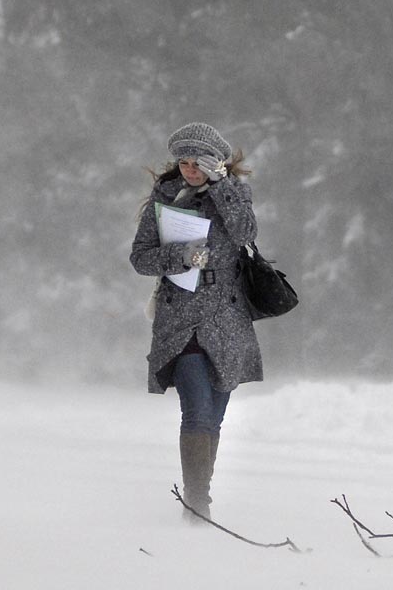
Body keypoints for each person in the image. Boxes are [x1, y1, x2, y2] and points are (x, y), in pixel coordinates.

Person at [130, 122, 262, 521]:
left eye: (197, 162)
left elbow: (245, 232)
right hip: (181, 318)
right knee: (198, 411)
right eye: (183, 162)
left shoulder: (235, 193)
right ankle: (197, 502)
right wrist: (180, 258)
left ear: (215, 162)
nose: (188, 170)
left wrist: (221, 185)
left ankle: (199, 497)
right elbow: (140, 257)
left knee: (216, 416)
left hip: (228, 318)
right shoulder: (166, 195)